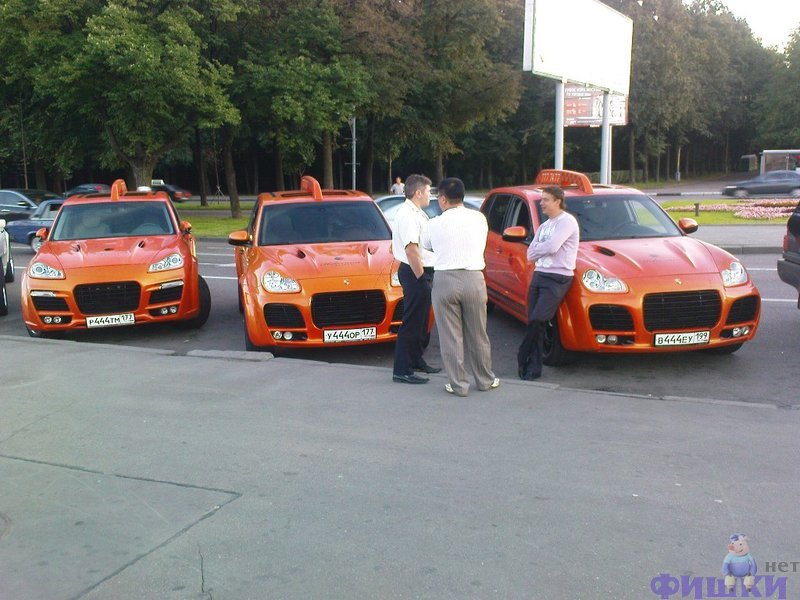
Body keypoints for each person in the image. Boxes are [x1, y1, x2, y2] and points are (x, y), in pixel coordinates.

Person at [422, 177, 499, 397]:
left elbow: (426, 245)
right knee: (478, 333)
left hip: (445, 278)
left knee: (450, 336)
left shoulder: (434, 223)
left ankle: (459, 385)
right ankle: (485, 380)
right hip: (474, 278)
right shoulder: (479, 218)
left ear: (444, 199)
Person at [517, 185, 579, 380]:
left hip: (557, 277)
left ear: (557, 201)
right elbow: (529, 253)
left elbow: (552, 247)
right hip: (539, 275)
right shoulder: (544, 226)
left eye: (545, 200)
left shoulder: (567, 222)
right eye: (541, 199)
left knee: (539, 319)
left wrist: (540, 249)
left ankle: (522, 354)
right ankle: (533, 368)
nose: (541, 203)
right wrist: (540, 249)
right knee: (534, 322)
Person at [391, 174, 441, 384]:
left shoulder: (417, 212)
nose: (431, 195)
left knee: (422, 322)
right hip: (415, 272)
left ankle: (416, 360)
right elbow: (412, 250)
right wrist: (422, 279)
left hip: (421, 270)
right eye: (429, 191)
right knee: (412, 321)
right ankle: (402, 370)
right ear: (418, 192)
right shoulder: (408, 215)